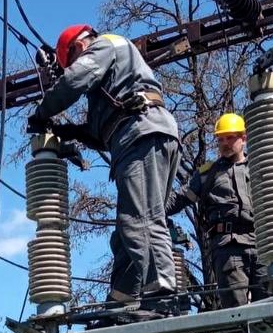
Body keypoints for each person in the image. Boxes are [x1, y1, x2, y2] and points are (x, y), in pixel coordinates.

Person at [28, 24, 180, 310]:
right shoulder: (114, 81)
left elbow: (74, 80)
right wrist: (71, 132)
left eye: (70, 61)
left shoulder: (106, 45)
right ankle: (121, 303)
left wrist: (41, 113)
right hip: (143, 135)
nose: (73, 66)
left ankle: (161, 293)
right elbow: (102, 133)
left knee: (140, 220)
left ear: (78, 46)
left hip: (141, 134)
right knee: (128, 229)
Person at [166, 113, 267, 333]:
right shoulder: (207, 174)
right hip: (228, 247)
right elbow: (181, 198)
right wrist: (152, 209)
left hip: (263, 243)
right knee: (236, 308)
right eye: (220, 140)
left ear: (244, 138)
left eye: (229, 139)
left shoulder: (262, 166)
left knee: (272, 302)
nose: (223, 144)